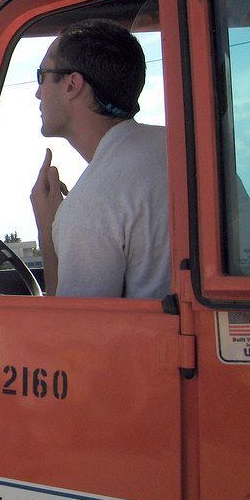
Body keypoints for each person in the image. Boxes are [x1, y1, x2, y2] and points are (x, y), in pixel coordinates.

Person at [29, 19, 170, 299]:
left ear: (72, 84)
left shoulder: (91, 206)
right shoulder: (185, 149)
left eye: (42, 76)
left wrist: (49, 230)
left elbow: (74, 333)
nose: (37, 92)